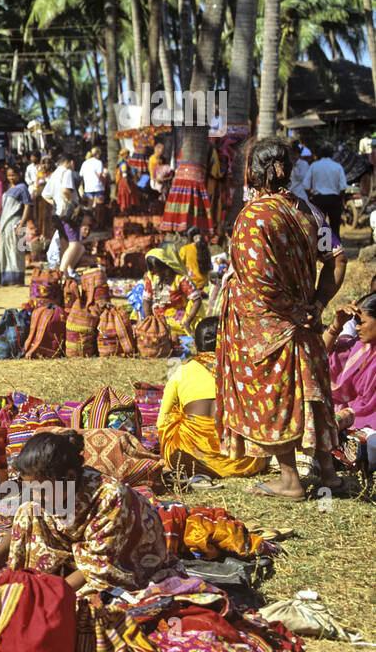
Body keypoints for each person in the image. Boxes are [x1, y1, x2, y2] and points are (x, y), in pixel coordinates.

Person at [218, 137, 348, 502]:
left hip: (269, 328)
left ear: (253, 174)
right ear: (286, 171)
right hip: (304, 322)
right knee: (312, 394)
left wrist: (293, 312)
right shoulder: (308, 212)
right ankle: (328, 474)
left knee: (276, 398)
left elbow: (260, 281)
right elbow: (338, 259)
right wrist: (317, 305)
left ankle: (290, 479)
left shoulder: (253, 218)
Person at [0, 430, 181, 595]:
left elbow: (99, 564)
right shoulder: (49, 490)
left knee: (89, 601)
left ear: (70, 476)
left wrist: (50, 595)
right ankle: (36, 582)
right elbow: (22, 525)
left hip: (125, 562)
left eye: (40, 491)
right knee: (28, 511)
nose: (36, 496)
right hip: (81, 553)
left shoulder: (111, 498)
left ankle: (45, 587)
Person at [158, 317, 265, 478]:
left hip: (190, 456)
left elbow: (161, 422)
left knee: (176, 415)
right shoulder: (241, 371)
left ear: (195, 344)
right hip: (240, 459)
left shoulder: (181, 372)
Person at [324, 292, 376, 474]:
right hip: (353, 419)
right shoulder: (358, 348)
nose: (357, 328)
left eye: (361, 322)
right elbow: (319, 358)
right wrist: (337, 325)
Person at [142, 245, 205, 336]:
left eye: (156, 270)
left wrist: (187, 321)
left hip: (179, 318)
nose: (152, 273)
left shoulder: (179, 280)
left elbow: (196, 300)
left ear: (165, 267)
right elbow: (146, 301)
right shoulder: (152, 279)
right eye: (151, 270)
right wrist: (148, 322)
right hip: (159, 318)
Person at [0, 164, 32, 286]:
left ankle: (16, 279)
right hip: (6, 226)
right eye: (9, 175)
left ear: (19, 175)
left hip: (17, 224)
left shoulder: (22, 188)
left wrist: (22, 224)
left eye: (13, 175)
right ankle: (6, 279)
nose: (11, 178)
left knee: (17, 252)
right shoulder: (10, 188)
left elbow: (28, 206)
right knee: (7, 252)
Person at [305, 143, 347, 238]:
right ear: (332, 154)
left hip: (319, 200)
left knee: (322, 227)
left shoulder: (314, 166)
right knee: (335, 227)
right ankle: (336, 250)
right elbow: (343, 187)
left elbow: (306, 185)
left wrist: (310, 198)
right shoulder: (337, 166)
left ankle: (324, 250)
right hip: (334, 199)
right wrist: (340, 200)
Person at [178, 226, 212, 290]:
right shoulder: (205, 248)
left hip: (191, 285)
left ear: (189, 238)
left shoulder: (185, 249)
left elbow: (179, 266)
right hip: (205, 285)